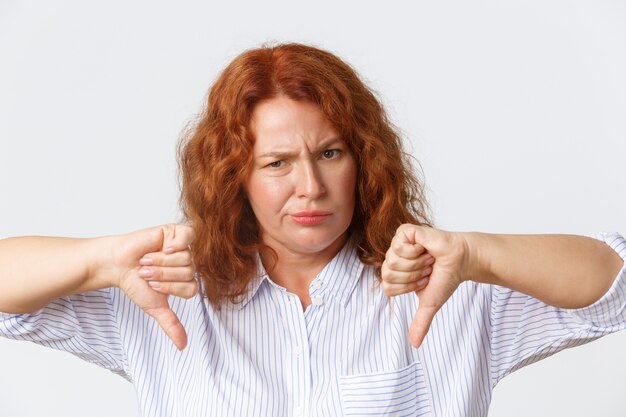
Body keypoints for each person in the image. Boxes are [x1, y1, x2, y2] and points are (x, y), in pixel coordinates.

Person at [0, 43, 624, 417]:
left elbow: (614, 287)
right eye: (276, 163)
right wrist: (102, 261)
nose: (310, 188)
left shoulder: (447, 285)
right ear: (234, 177)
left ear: (364, 159)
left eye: (330, 154)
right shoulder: (164, 295)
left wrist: (478, 253)